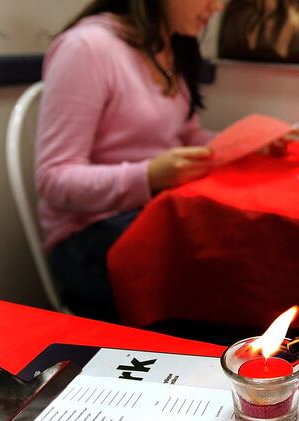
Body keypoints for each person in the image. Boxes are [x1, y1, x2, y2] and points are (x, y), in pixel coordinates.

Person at [36, 0, 225, 321]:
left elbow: (185, 134)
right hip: (87, 233)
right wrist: (148, 176)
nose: (217, 7)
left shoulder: (169, 45)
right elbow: (53, 178)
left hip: (150, 212)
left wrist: (246, 142)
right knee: (215, 280)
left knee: (229, 249)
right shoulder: (87, 48)